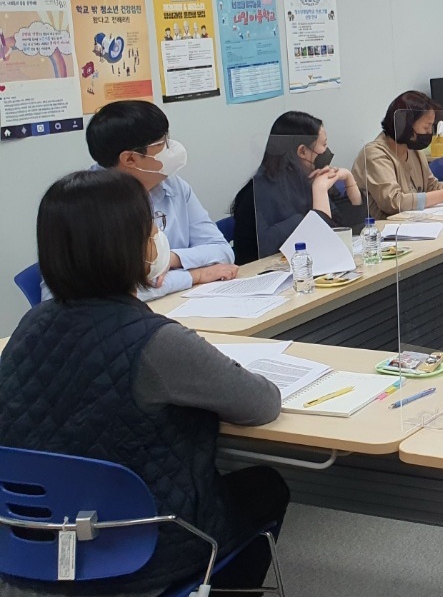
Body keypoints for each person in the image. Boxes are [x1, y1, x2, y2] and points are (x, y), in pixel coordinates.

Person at [0, 169, 288, 597]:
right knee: (266, 487)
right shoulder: (158, 343)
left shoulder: (28, 326)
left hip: (30, 546)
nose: (158, 236)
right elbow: (262, 404)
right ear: (127, 246)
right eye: (151, 227)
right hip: (144, 552)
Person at [41, 100, 236, 302]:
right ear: (130, 159)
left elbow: (222, 252)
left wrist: (169, 259)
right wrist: (194, 275)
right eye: (162, 144)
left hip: (175, 305)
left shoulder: (173, 186)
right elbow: (96, 295)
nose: (171, 148)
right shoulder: (82, 204)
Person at [230, 111, 366, 264]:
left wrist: (349, 179)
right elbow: (321, 243)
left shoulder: (305, 180)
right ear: (302, 151)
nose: (326, 152)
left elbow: (349, 227)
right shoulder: (256, 195)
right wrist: (319, 191)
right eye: (324, 145)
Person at [351, 90, 443, 220]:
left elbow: (432, 187)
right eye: (426, 127)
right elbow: (393, 202)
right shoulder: (374, 154)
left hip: (413, 221)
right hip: (384, 229)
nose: (429, 132)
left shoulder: (413, 150)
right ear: (405, 126)